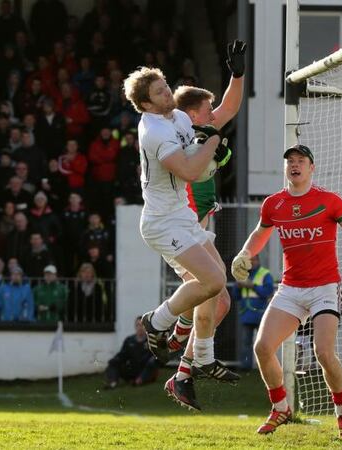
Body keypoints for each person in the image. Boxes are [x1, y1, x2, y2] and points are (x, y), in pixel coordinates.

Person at [230, 144, 342, 436]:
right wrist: (244, 254)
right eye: (290, 161)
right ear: (286, 168)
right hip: (291, 288)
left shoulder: (329, 200)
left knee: (323, 352)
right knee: (263, 347)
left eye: (301, 160)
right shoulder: (274, 204)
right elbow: (260, 233)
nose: (295, 165)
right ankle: (280, 408)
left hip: (324, 288)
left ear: (311, 167)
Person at [122, 66, 227, 379]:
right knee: (213, 281)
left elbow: (219, 117)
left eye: (166, 86)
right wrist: (212, 145)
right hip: (161, 222)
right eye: (159, 92)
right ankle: (157, 320)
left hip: (181, 216)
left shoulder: (179, 118)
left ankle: (203, 359)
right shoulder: (153, 131)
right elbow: (190, 172)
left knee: (217, 288)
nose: (167, 93)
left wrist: (237, 77)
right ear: (147, 105)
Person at [162, 40, 247, 410]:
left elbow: (230, 105)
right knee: (212, 292)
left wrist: (238, 74)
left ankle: (182, 369)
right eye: (208, 109)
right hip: (183, 226)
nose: (216, 114)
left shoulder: (202, 130)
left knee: (221, 300)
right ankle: (173, 332)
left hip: (198, 225)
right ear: (192, 114)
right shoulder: (176, 135)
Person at [233, 254, 274, 371]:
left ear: (258, 261)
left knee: (264, 343)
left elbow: (268, 292)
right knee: (246, 343)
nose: (251, 263)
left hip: (261, 314)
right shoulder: (242, 274)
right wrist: (237, 286)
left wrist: (252, 286)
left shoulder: (265, 273)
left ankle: (266, 367)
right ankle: (246, 368)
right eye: (249, 261)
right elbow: (235, 296)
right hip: (246, 314)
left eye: (253, 260)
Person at [105, 316, 160, 389]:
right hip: (133, 368)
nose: (140, 328)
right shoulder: (129, 341)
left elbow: (156, 358)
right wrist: (115, 360)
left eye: (142, 325)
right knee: (113, 362)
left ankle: (139, 380)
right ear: (135, 327)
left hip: (146, 369)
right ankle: (113, 382)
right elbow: (122, 355)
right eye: (138, 325)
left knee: (152, 362)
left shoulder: (151, 341)